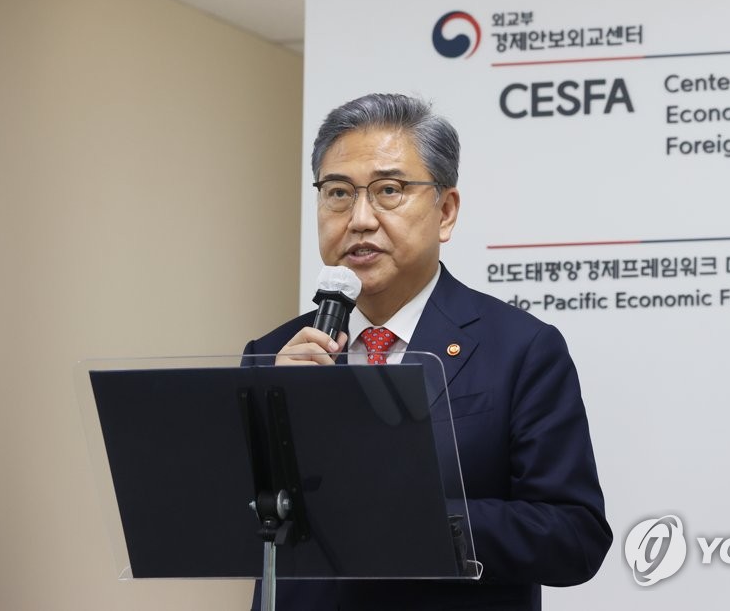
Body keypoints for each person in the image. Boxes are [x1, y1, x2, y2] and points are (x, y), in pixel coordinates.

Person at [244, 93, 611, 610]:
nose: (359, 219)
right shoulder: (272, 355)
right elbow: (233, 524)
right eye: (338, 193)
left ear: (446, 211)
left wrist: (420, 520)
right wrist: (283, 424)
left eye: (388, 191)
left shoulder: (521, 350)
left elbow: (574, 535)